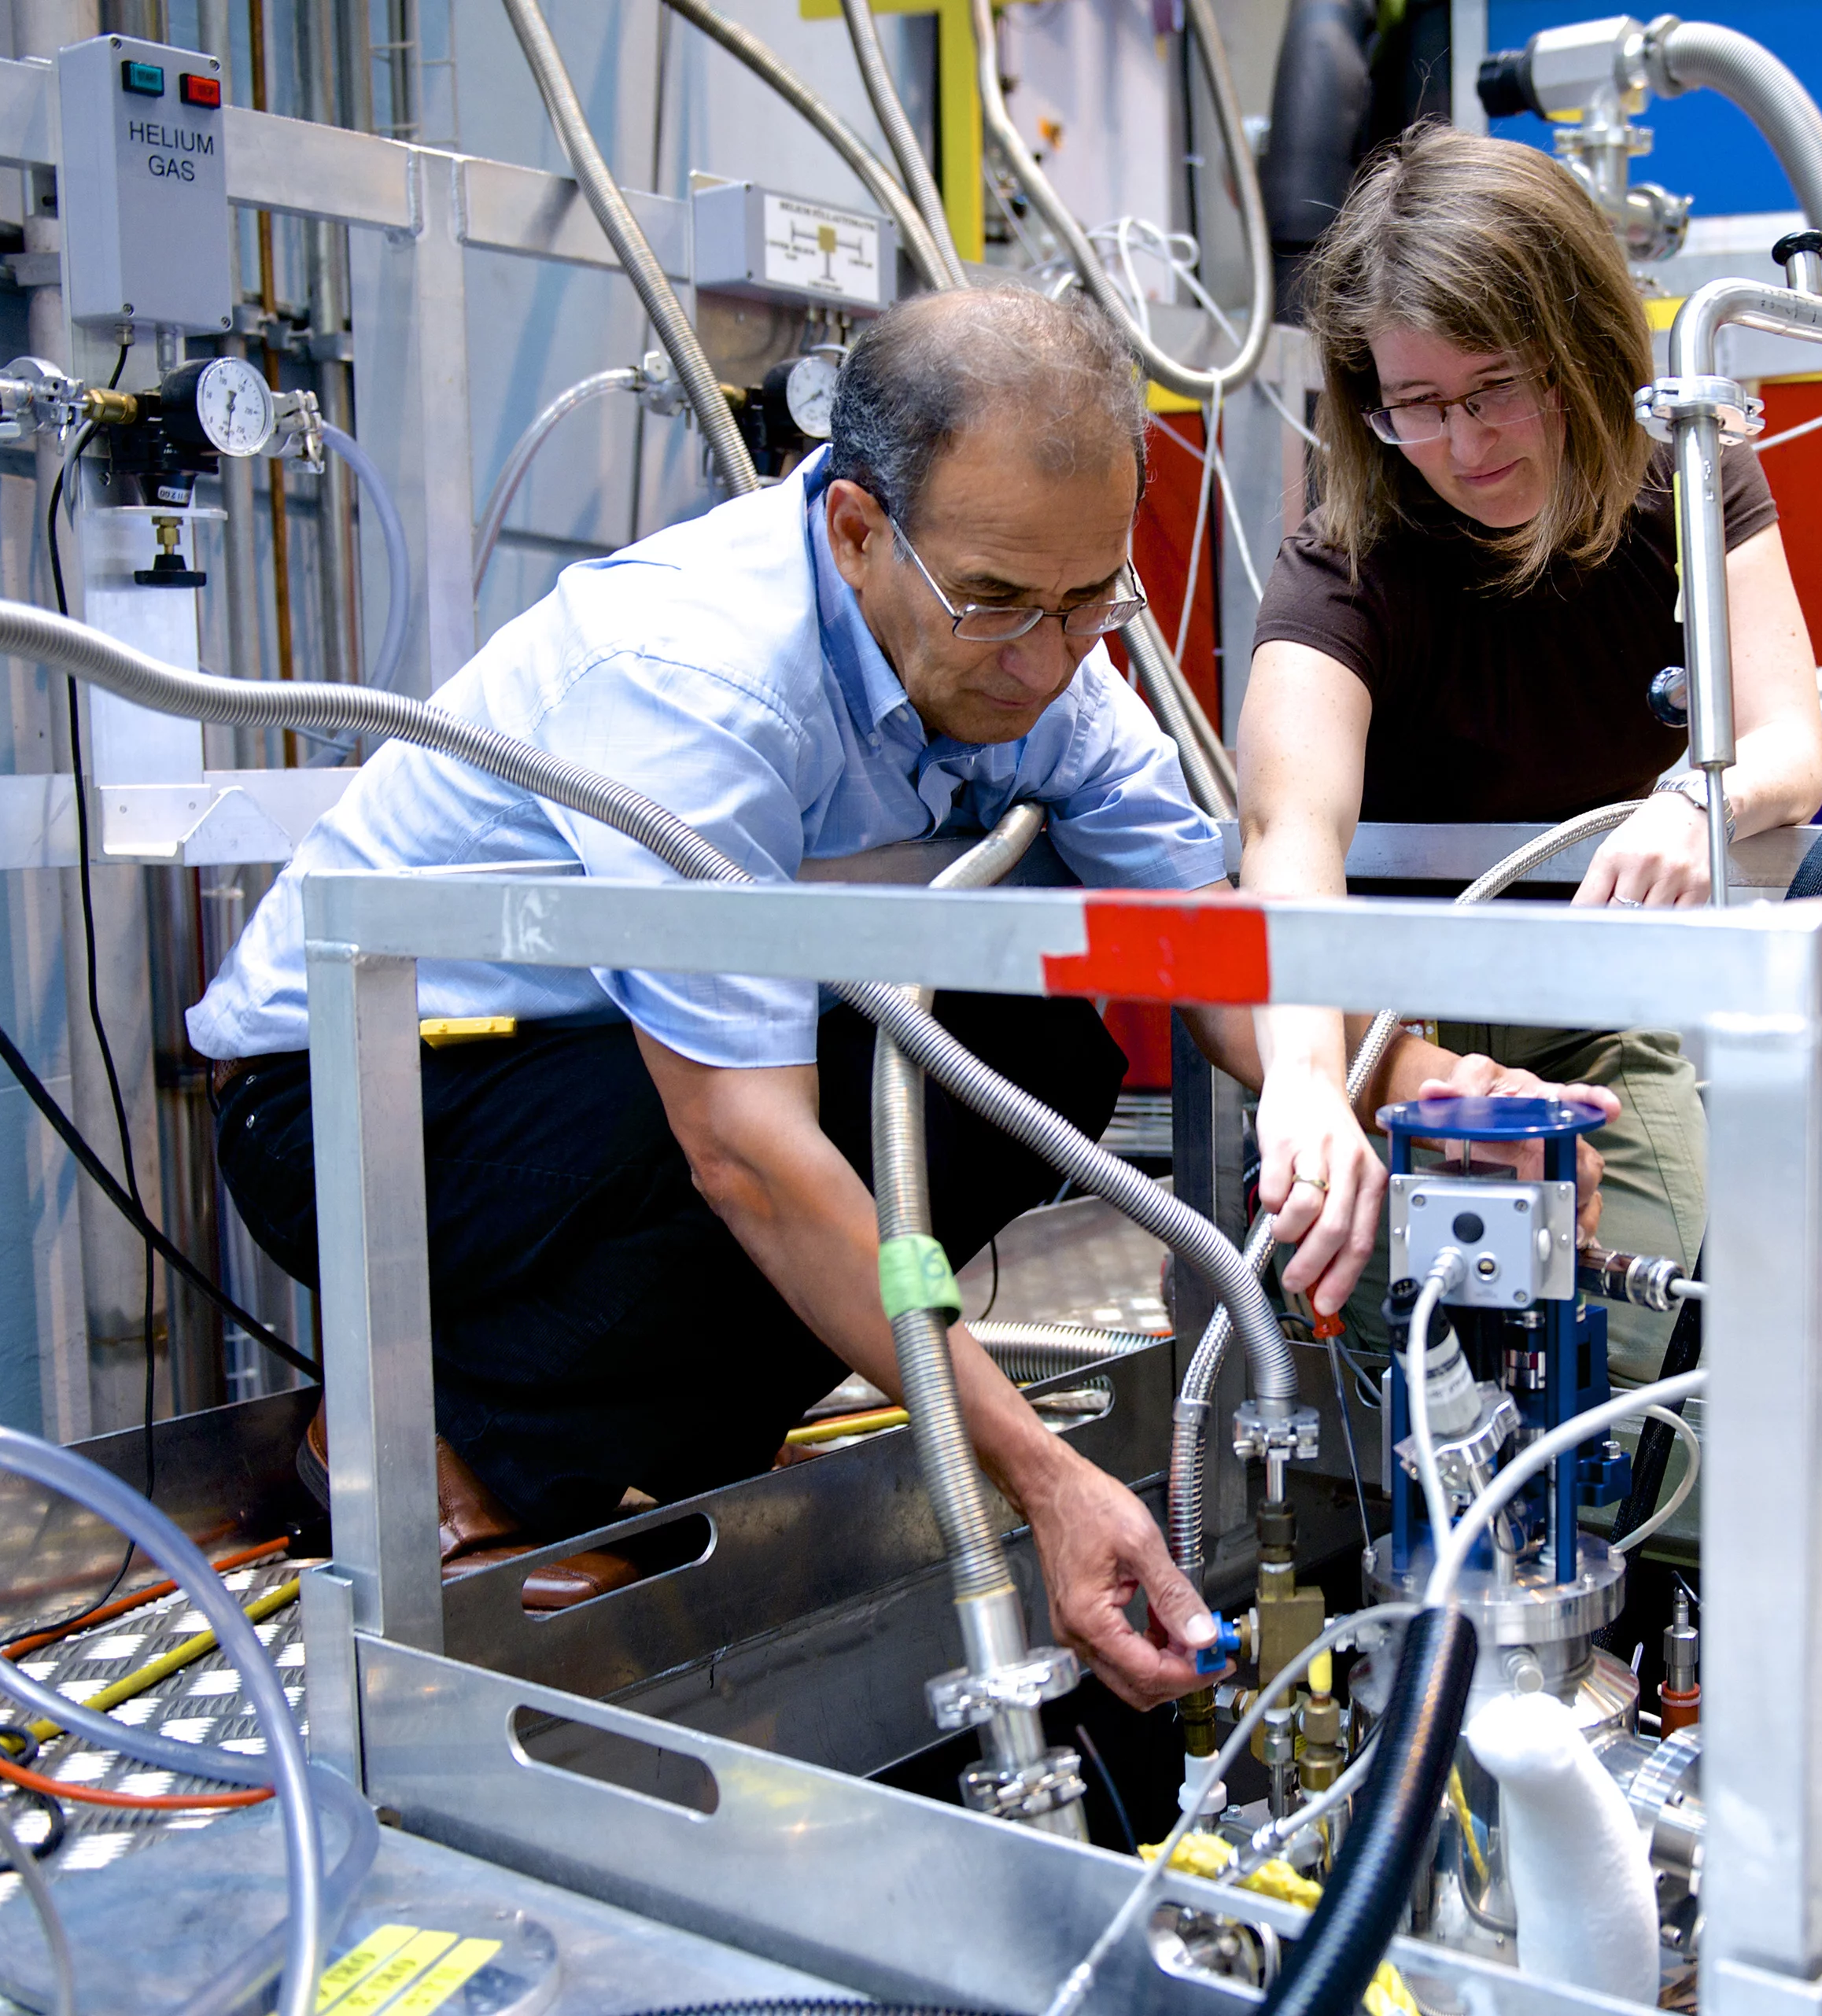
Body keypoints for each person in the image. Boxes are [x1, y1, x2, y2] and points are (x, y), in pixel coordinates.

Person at [191, 288, 1250, 1705]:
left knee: (1032, 1053)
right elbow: (746, 1153)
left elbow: (1213, 946)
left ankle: (604, 1449)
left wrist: (1401, 1086)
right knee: (768, 1141)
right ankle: (446, 1451)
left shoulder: (1039, 641)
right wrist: (1037, 1476)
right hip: (348, 1101)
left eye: (1088, 602)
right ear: (859, 529)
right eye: (997, 602)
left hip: (589, 1076)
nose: (1049, 659)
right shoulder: (701, 680)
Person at [1238, 126, 1822, 1379]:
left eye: (1495, 384)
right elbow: (1287, 835)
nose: (1460, 442)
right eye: (1415, 404)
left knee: (1605, 1371)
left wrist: (1695, 801)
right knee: (1415, 1376)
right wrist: (1308, 1081)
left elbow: (1790, 740)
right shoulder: (1353, 544)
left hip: (1593, 1021)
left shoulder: (1689, 478)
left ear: (1582, 347)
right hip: (1387, 1013)